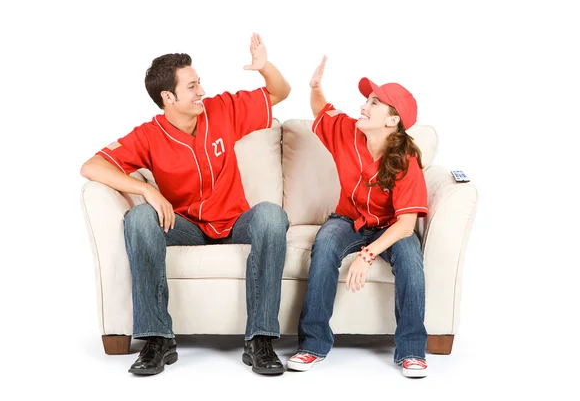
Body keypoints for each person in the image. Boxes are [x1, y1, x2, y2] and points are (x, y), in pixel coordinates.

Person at [80, 33, 291, 376]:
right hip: (186, 227)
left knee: (271, 215)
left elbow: (280, 92)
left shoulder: (221, 109)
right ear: (168, 97)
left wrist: (264, 67)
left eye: (199, 83)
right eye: (192, 86)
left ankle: (260, 340)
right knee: (139, 217)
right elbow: (91, 166)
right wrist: (145, 190)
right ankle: (157, 339)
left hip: (236, 222)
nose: (202, 91)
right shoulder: (149, 135)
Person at [287, 56, 429, 378]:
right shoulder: (346, 131)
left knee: (410, 260)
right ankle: (312, 345)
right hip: (348, 219)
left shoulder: (406, 160)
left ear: (392, 121)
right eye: (367, 99)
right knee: (324, 246)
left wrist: (367, 255)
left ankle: (411, 352)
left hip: (393, 229)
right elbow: (320, 109)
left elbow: (406, 224)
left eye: (374, 103)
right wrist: (315, 87)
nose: (364, 105)